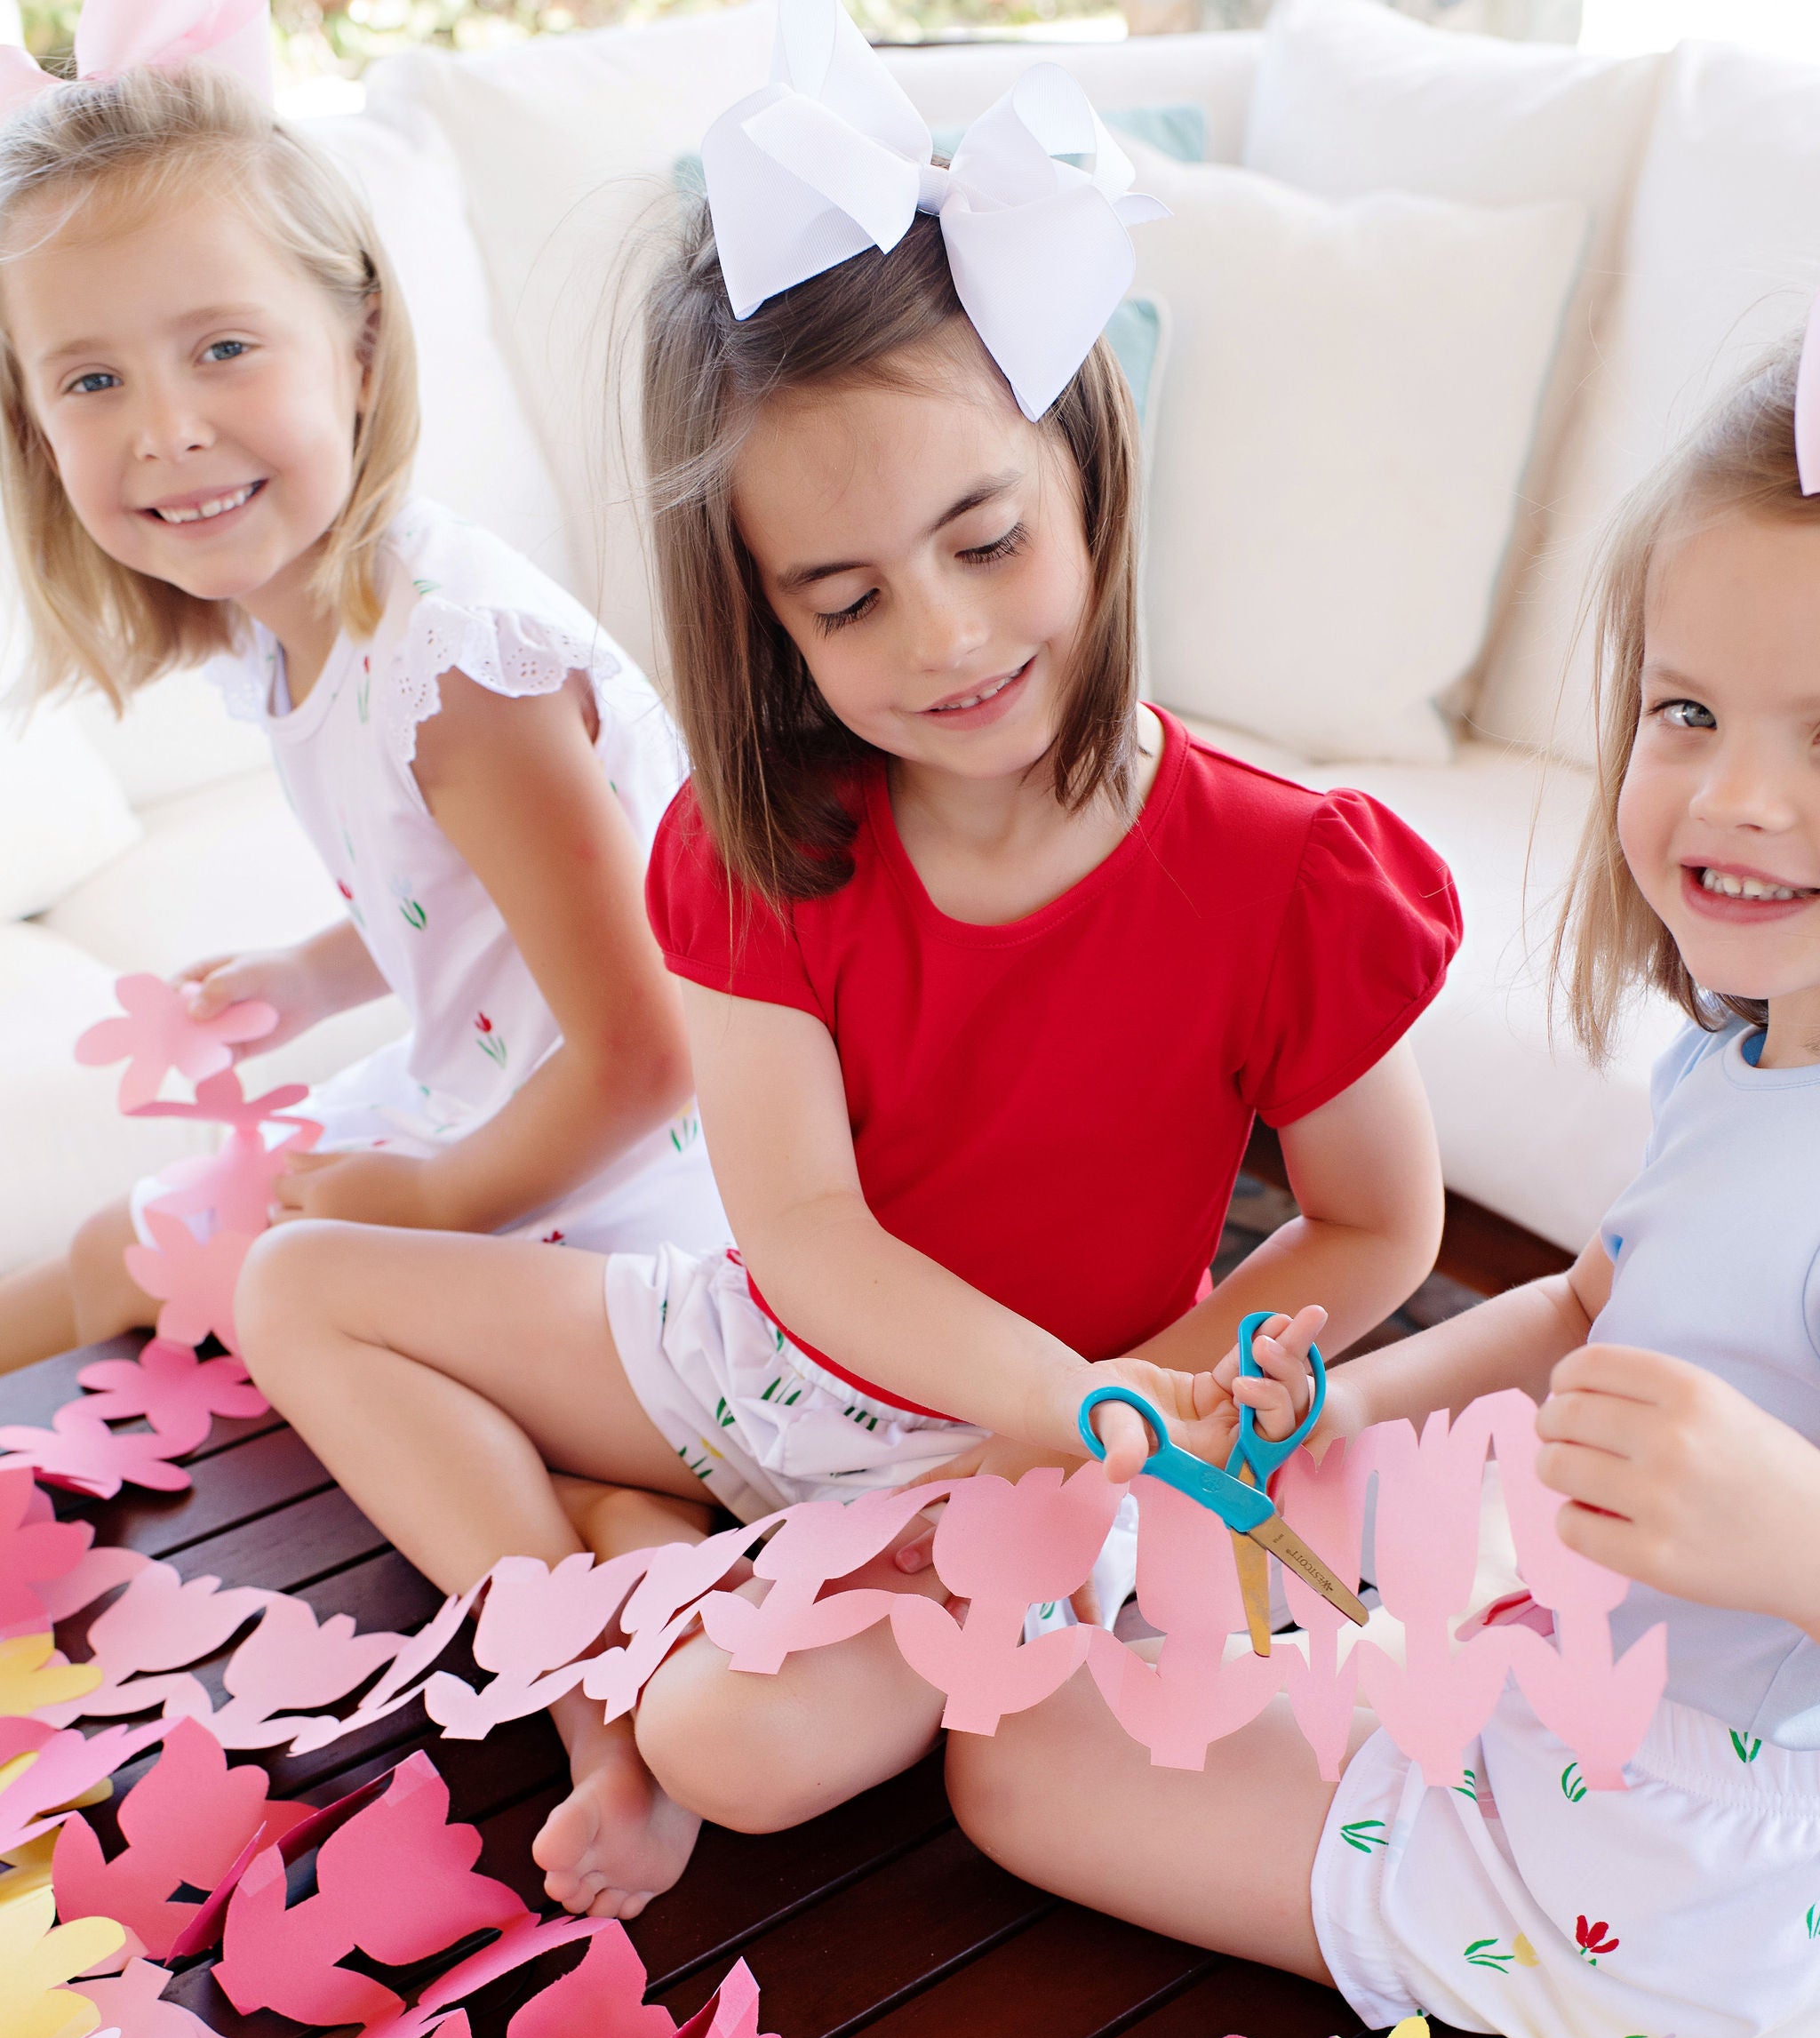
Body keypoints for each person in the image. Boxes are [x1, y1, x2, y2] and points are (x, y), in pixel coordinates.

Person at [235, 0, 1459, 1924]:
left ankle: (633, 1609)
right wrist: (1044, 1399)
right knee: (295, 1282)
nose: (945, 638)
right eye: (848, 599)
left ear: (1089, 479)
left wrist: (1115, 1411)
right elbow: (802, 1233)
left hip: (1037, 1444)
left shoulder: (1289, 873)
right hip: (766, 1357)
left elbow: (1379, 1224)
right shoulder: (757, 848)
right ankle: (594, 1672)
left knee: (738, 1750)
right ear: (768, 624)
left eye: (986, 541)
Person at [952, 341, 1820, 2038]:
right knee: (1192, 1600)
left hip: (1683, 1880)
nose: (1736, 796)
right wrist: (1340, 1415)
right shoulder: (1739, 1060)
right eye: (1686, 713)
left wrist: (1791, 1531)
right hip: (1574, 1700)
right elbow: (1581, 1310)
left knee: (1014, 1760)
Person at [0, 30, 723, 1377]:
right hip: (492, 1105)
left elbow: (651, 1054)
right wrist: (312, 974)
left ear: (361, 352)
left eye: (223, 347)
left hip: (632, 1186)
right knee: (127, 1249)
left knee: (151, 1259)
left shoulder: (457, 674)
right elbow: (459, 894)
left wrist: (433, 1205)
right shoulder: (301, 630)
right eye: (93, 381)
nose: (167, 429)